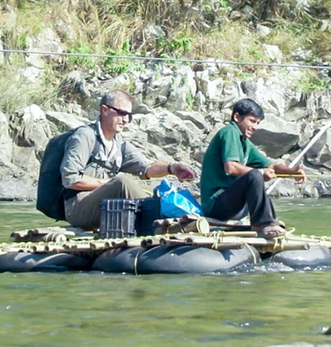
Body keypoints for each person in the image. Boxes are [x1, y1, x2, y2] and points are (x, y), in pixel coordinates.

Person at [60, 90, 197, 230]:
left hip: (107, 206)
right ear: (105, 110)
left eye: (128, 115)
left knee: (152, 189)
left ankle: (169, 217)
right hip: (77, 207)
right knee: (122, 182)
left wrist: (171, 168)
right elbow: (70, 179)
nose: (125, 120)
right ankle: (160, 223)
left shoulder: (119, 144)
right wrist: (109, 184)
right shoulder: (85, 137)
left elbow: (147, 168)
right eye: (121, 113)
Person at [199, 98, 304, 239]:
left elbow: (271, 166)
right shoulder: (229, 132)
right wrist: (260, 173)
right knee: (255, 175)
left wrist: (293, 173)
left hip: (232, 205)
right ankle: (262, 224)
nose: (255, 127)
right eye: (252, 121)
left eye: (257, 123)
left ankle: (269, 221)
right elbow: (231, 167)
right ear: (237, 117)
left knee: (256, 176)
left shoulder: (245, 143)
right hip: (215, 205)